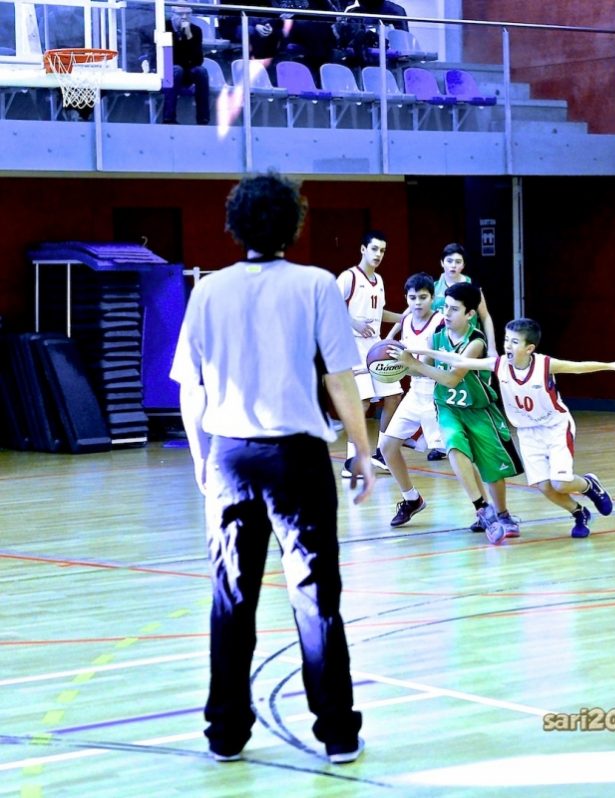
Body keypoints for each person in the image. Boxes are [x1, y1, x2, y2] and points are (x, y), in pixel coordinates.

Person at [170, 174, 372, 764]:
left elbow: (190, 389)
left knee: (231, 596)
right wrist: (362, 449)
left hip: (230, 455)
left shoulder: (208, 291)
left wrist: (201, 457)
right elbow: (340, 379)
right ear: (295, 223)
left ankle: (225, 733)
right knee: (315, 595)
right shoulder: (316, 285)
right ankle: (337, 732)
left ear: (234, 224)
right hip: (297, 460)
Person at [408, 317, 615, 538]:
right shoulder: (499, 364)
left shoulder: (545, 365)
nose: (508, 345)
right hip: (527, 432)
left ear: (529, 348)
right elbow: (458, 360)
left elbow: (578, 368)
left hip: (555, 427)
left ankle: (590, 485)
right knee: (545, 487)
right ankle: (578, 512)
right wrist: (421, 352)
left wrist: (610, 366)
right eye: (506, 340)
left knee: (560, 482)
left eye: (514, 342)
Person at [394, 282, 523, 543]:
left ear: (470, 314)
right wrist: (394, 367)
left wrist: (414, 363)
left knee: (491, 470)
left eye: (454, 310)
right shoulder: (437, 336)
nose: (447, 314)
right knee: (453, 446)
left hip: (479, 410)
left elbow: (451, 379)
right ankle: (482, 509)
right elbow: (421, 371)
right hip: (448, 408)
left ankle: (502, 513)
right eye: (445, 308)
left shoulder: (475, 341)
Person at [336, 229, 403, 478]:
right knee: (362, 402)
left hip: (375, 348)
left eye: (382, 250)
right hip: (353, 347)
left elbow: (379, 314)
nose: (378, 254)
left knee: (394, 396)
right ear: (363, 249)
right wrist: (353, 322)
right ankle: (351, 461)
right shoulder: (349, 277)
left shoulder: (379, 280)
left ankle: (381, 453)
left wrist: (404, 317)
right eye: (374, 249)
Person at [379, 273, 444, 526]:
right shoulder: (406, 321)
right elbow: (398, 356)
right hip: (415, 392)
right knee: (387, 446)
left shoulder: (439, 323)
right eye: (413, 297)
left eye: (423, 297)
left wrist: (393, 367)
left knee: (455, 454)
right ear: (406, 298)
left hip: (437, 394)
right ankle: (412, 499)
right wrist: (380, 365)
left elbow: (425, 368)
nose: (418, 302)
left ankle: (483, 506)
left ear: (433, 298)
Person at [432, 243, 497, 356]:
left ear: (463, 265)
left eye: (458, 262)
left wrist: (492, 348)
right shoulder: (433, 287)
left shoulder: (472, 286)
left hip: (468, 342)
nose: (453, 265)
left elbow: (485, 317)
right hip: (442, 342)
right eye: (449, 261)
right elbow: (412, 312)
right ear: (442, 262)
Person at [162, 5, 210, 125]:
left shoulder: (196, 30)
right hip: (167, 70)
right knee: (176, 70)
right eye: (180, 14)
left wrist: (188, 37)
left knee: (201, 71)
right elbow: (167, 56)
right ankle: (169, 118)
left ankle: (203, 118)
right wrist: (179, 37)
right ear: (172, 15)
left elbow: (198, 59)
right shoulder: (164, 27)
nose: (184, 17)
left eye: (188, 14)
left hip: (188, 70)